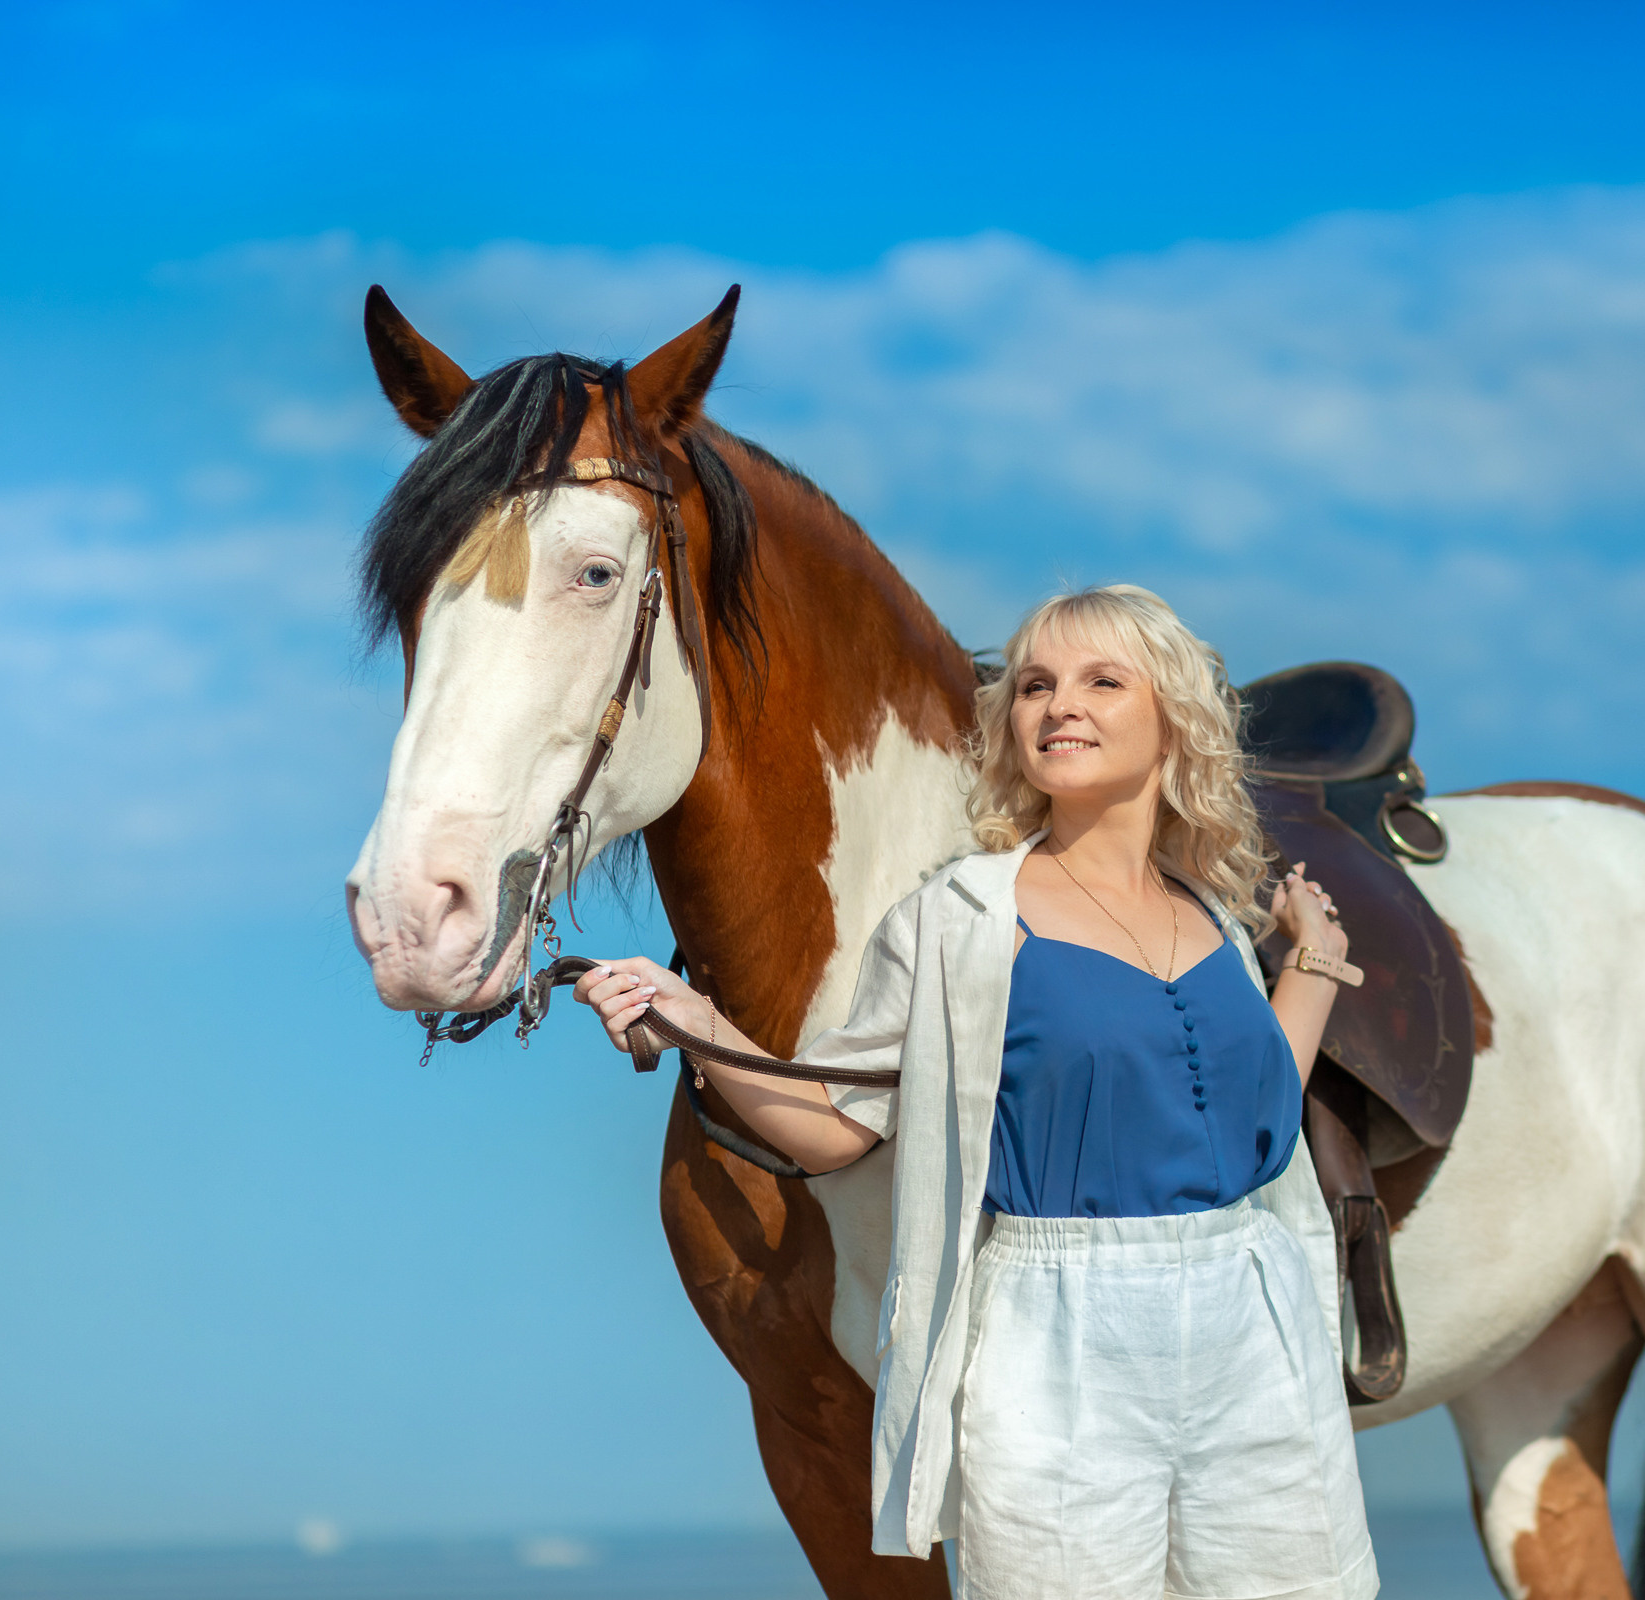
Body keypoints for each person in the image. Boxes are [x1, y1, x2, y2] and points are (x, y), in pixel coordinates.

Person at [575, 584, 1378, 1600]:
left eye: (1100, 680)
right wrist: (702, 1028)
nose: (1058, 704)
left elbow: (1261, 1120)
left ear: (1172, 717)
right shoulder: (958, 917)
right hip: (1062, 1339)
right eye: (1036, 685)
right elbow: (832, 1133)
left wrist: (1314, 962)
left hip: (1254, 1327)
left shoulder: (1214, 916)